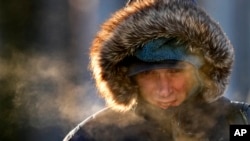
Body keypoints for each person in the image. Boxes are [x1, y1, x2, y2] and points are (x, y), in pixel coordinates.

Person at [63, 0, 250, 140]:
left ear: (201, 71)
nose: (164, 89)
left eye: (174, 72)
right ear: (127, 76)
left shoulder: (239, 124)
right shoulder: (96, 137)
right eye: (148, 73)